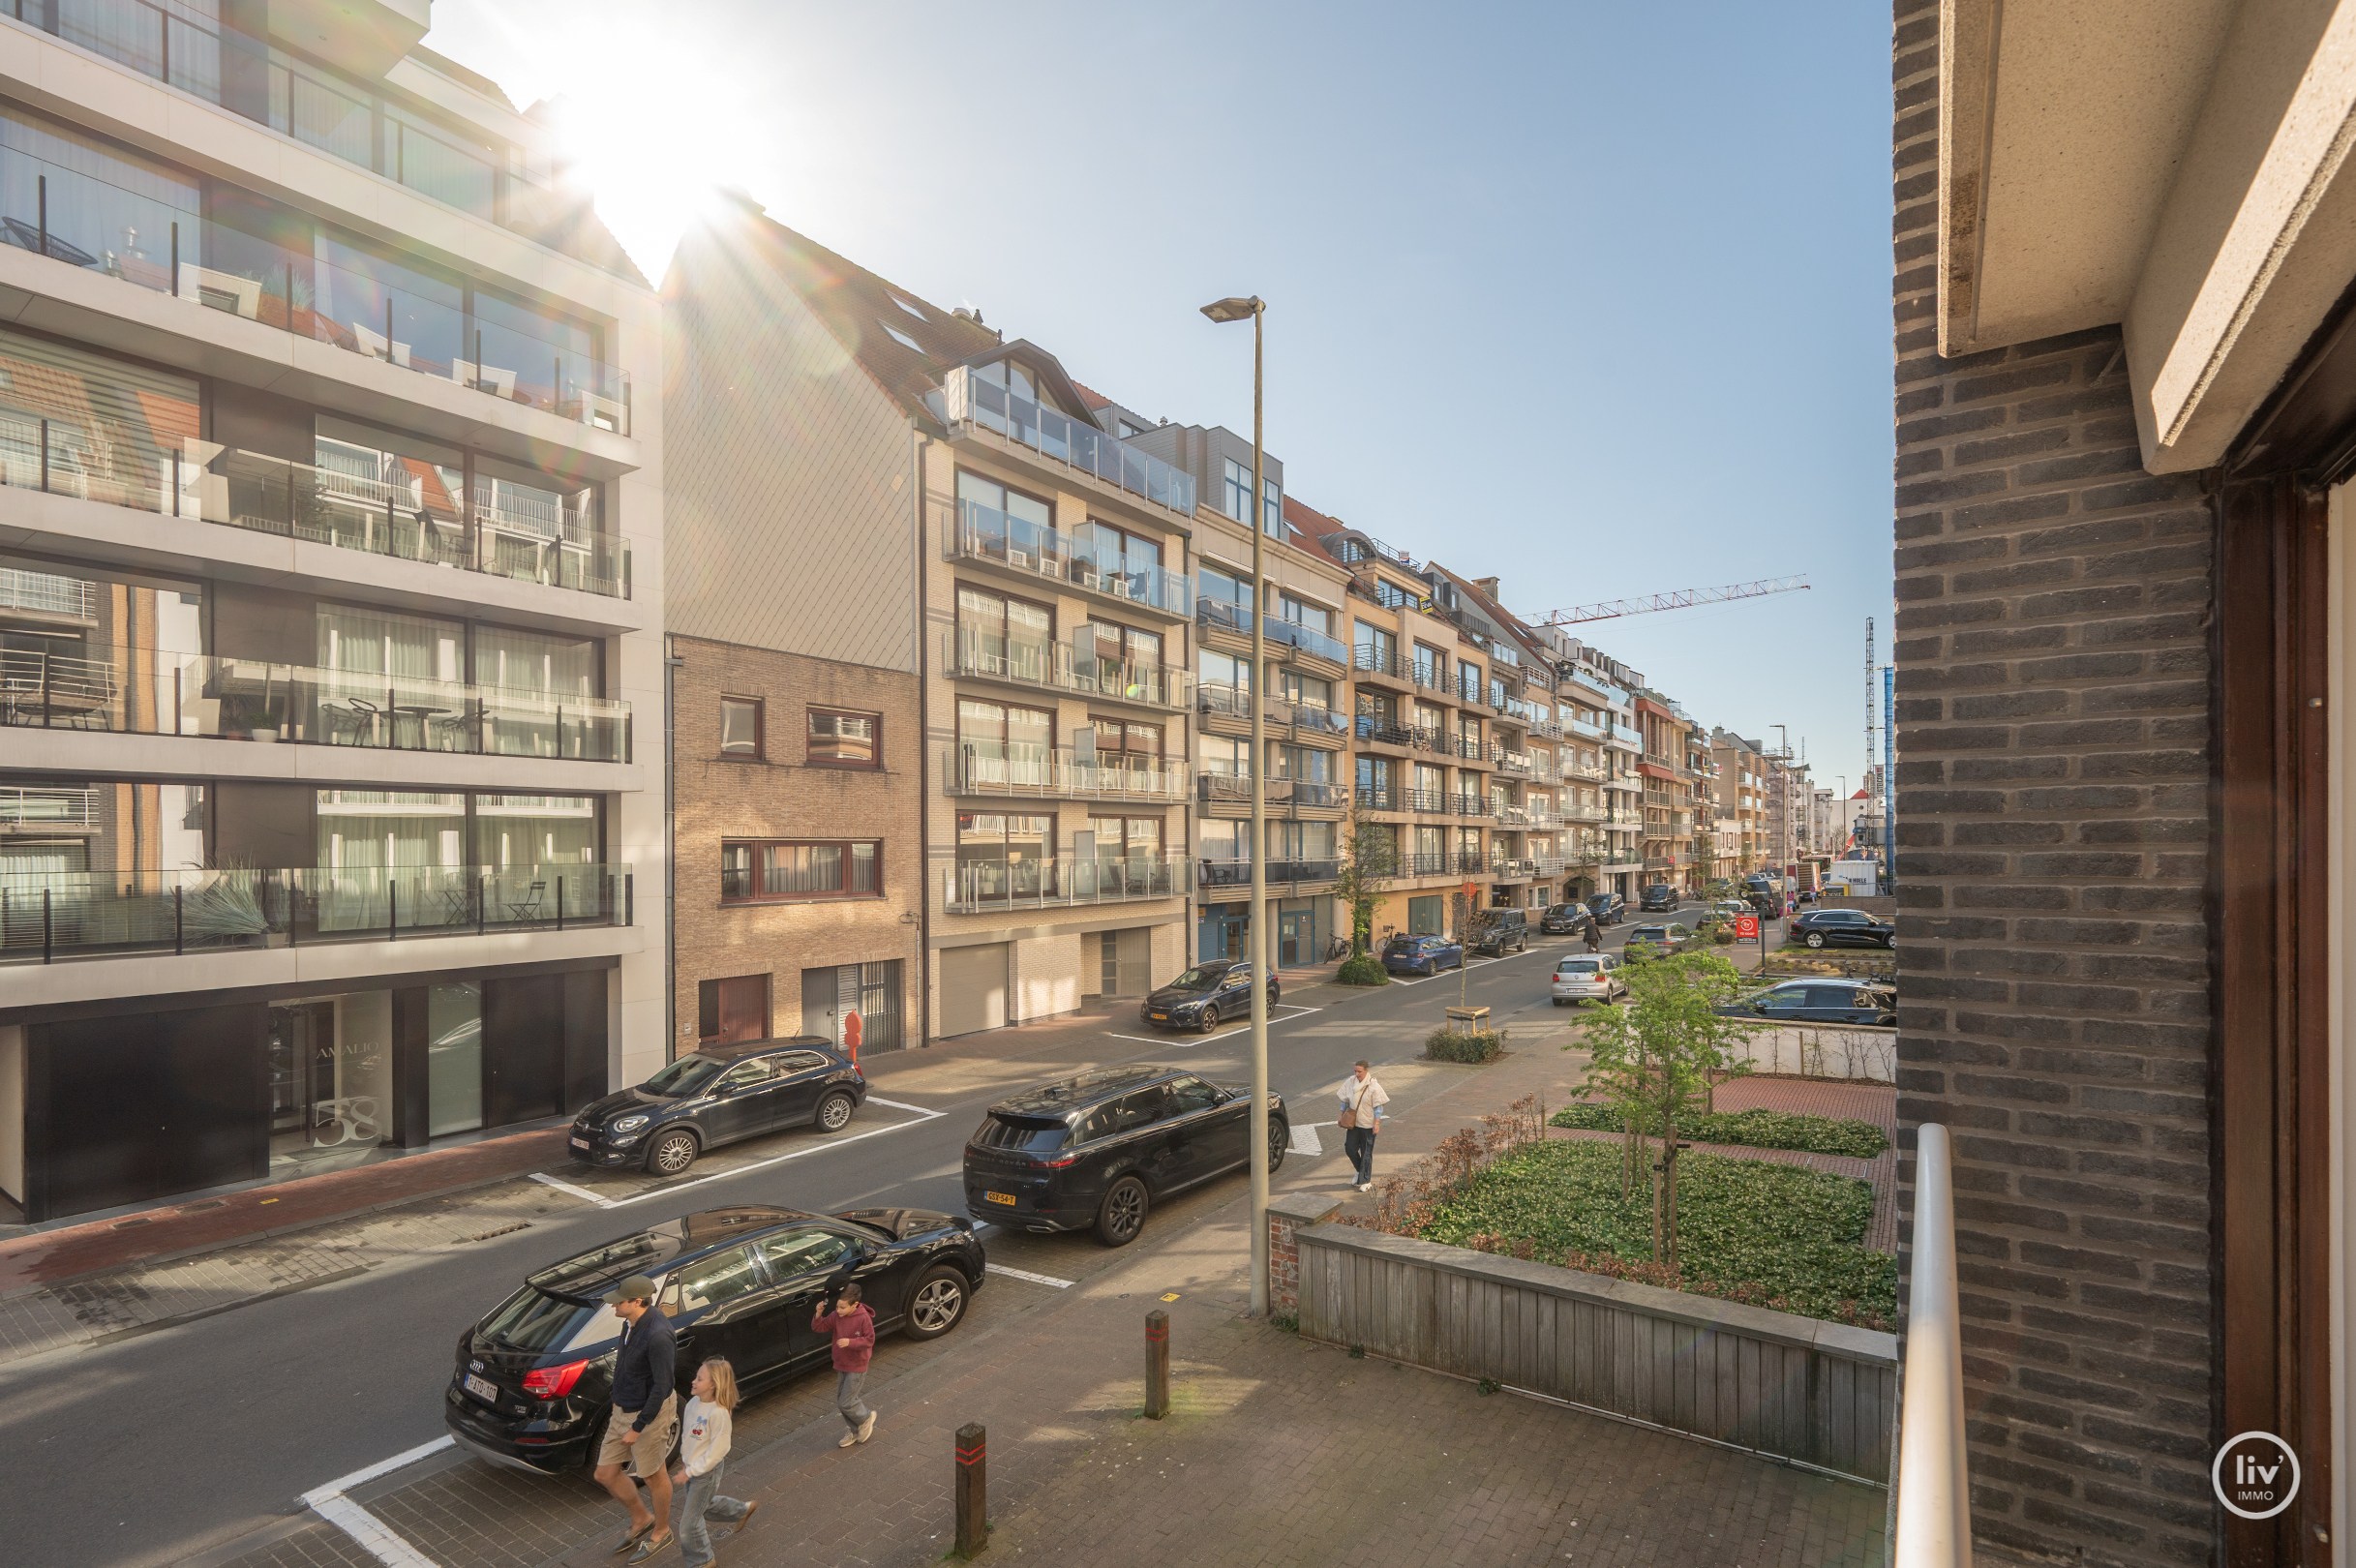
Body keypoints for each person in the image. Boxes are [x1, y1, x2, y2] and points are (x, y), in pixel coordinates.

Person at [592, 1275, 681, 1563]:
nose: (614, 1306)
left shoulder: (658, 1335)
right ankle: (641, 1518)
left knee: (653, 1475)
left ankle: (663, 1530)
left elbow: (662, 1387)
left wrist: (638, 1427)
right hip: (623, 1409)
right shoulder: (628, 1323)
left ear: (637, 1301)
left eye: (619, 1301)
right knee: (605, 1473)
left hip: (647, 1415)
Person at [673, 1358, 757, 1567]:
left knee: (688, 1524)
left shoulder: (718, 1413)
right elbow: (689, 1436)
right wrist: (685, 1460)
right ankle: (742, 1510)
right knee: (706, 1507)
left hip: (706, 1473)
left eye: (699, 1379)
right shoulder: (693, 1403)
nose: (693, 1381)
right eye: (696, 1376)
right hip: (692, 1468)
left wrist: (691, 1471)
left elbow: (718, 1451)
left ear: (713, 1384)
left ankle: (703, 1560)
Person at [812, 1282, 878, 1448]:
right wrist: (819, 1314)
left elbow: (869, 1340)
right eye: (837, 1307)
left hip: (857, 1365)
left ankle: (866, 1417)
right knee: (843, 1401)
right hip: (841, 1363)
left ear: (854, 1305)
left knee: (846, 1402)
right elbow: (820, 1327)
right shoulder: (836, 1315)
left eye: (842, 1307)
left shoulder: (863, 1318)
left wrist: (850, 1342)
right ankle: (855, 1430)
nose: (838, 1311)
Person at [1337, 1060, 1390, 1192]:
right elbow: (1344, 1100)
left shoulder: (1374, 1086)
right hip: (1353, 1123)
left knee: (1366, 1152)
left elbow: (1378, 1107)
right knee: (1349, 1148)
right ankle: (1359, 1171)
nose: (1357, 1074)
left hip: (1367, 1124)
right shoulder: (1350, 1082)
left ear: (1366, 1071)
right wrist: (1341, 1115)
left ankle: (1366, 1180)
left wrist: (1376, 1123)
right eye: (1355, 1071)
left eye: (1359, 1071)